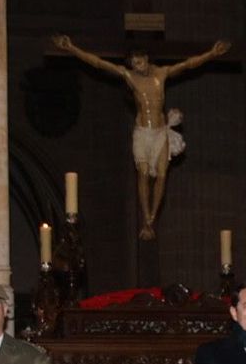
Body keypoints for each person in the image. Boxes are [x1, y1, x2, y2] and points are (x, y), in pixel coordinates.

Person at [52, 32, 230, 239]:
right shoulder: (129, 76)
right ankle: (146, 218)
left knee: (162, 175)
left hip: (160, 132)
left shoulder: (161, 74)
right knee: (143, 173)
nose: (139, 66)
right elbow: (99, 64)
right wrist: (72, 48)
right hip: (143, 132)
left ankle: (150, 221)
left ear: (147, 59)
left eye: (141, 61)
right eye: (135, 64)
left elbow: (188, 65)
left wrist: (211, 53)